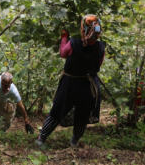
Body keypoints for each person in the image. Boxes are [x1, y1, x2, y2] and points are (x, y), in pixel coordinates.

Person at [35, 14, 105, 148]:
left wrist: (64, 38)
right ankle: (75, 141)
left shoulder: (73, 43)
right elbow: (99, 64)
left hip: (70, 84)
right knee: (83, 114)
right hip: (88, 85)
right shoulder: (101, 47)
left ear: (83, 29)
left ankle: (42, 138)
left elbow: (63, 53)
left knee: (57, 109)